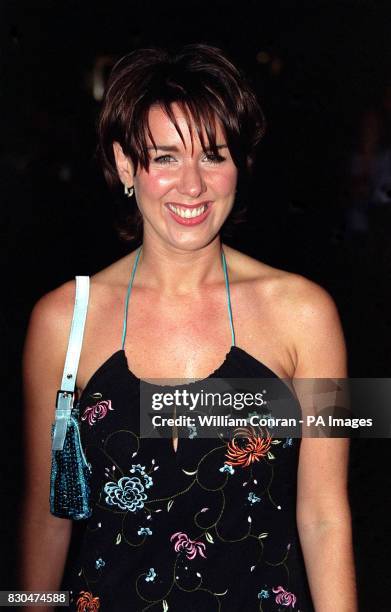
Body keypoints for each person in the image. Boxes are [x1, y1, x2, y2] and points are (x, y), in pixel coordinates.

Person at [19, 44, 357, 611]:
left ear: (239, 166)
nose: (193, 185)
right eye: (167, 157)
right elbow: (44, 518)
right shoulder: (62, 321)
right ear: (127, 165)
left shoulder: (305, 314)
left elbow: (324, 517)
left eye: (214, 155)